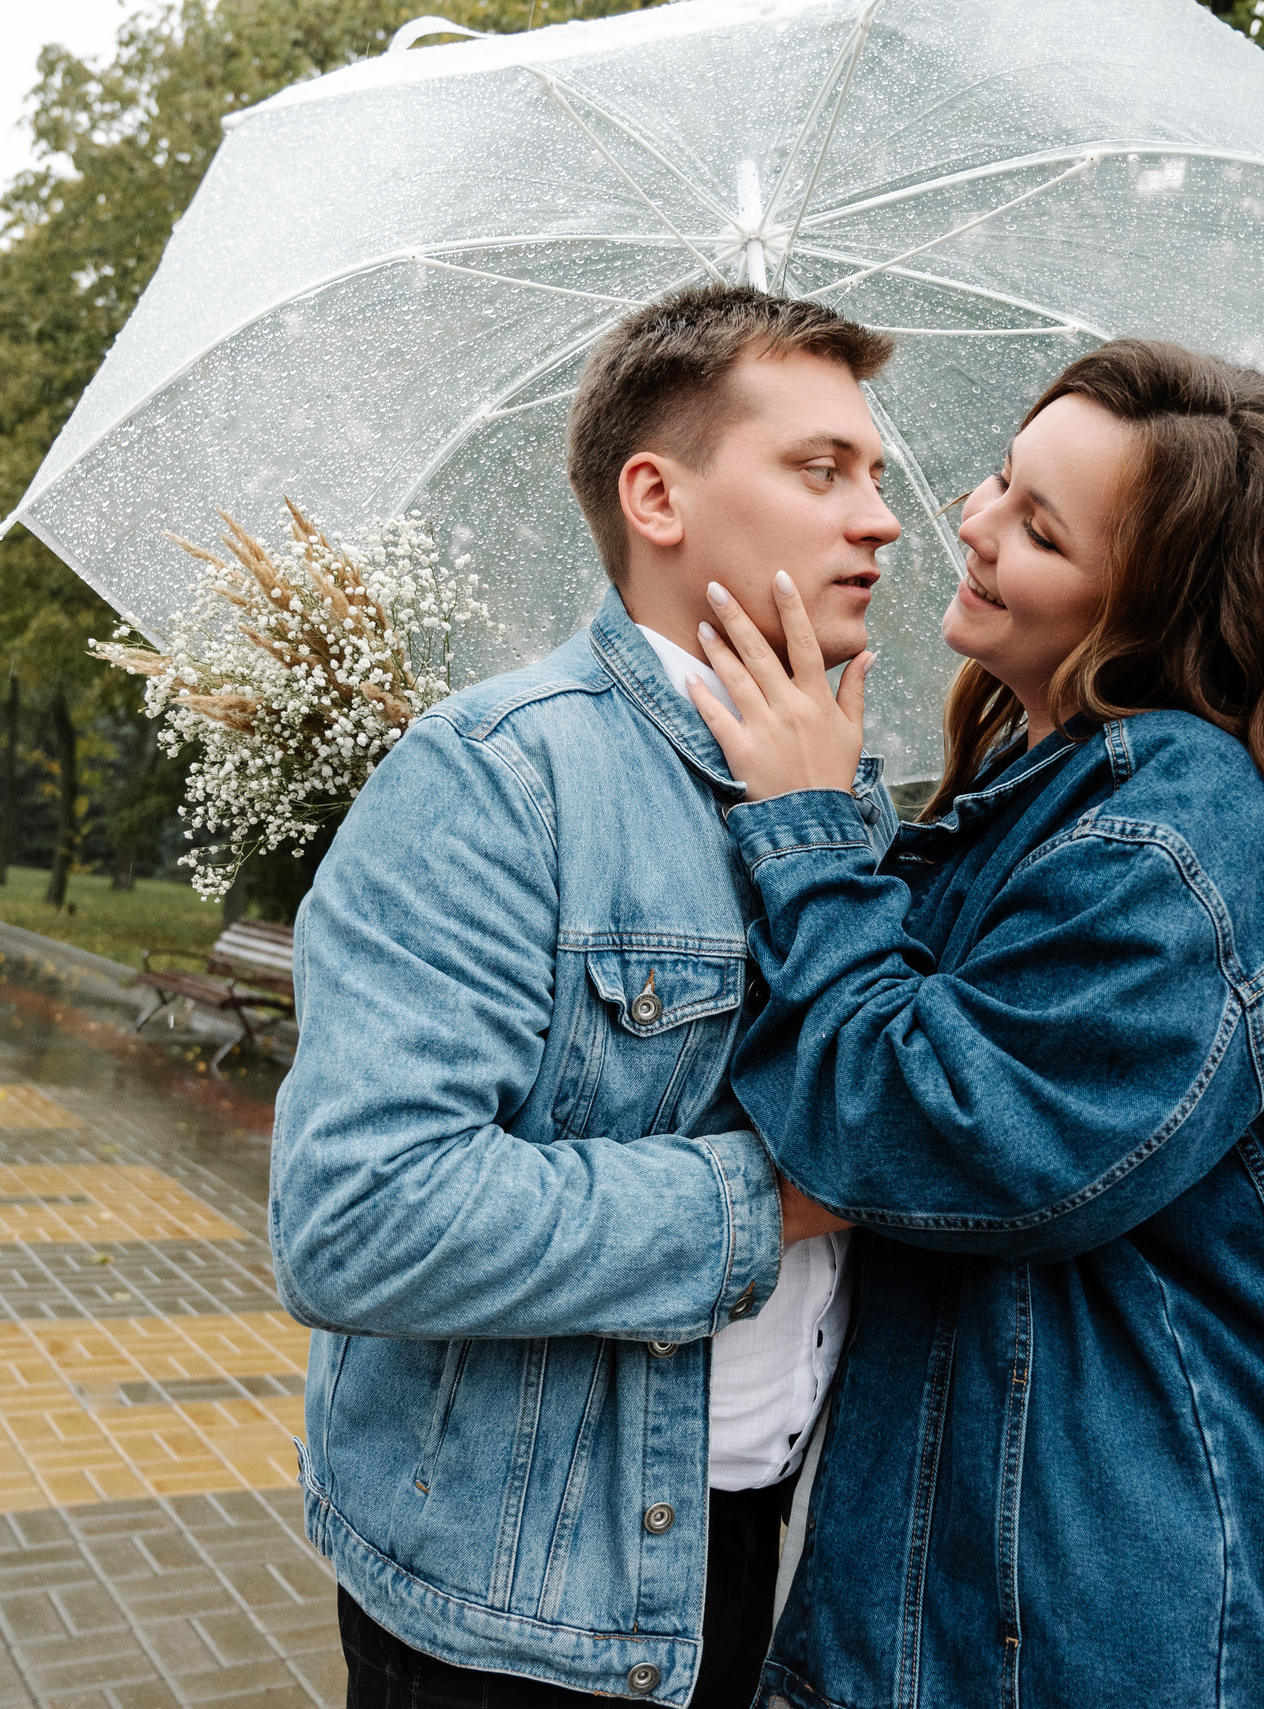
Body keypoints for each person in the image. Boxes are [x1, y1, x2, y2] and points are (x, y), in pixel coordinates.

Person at [685, 339, 1264, 1707]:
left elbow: (914, 1129)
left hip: (1104, 1624)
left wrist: (804, 821)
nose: (965, 522)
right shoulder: (1044, 779)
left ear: (1149, 611)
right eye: (1000, 483)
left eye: (1039, 526)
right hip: (983, 1582)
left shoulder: (1167, 843)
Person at [272, 285, 901, 1709]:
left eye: (874, 472)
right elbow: (356, 1217)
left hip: (740, 1551)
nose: (880, 518)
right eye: (821, 469)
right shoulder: (497, 777)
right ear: (657, 495)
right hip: (511, 1599)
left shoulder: (849, 791)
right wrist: (781, 1197)